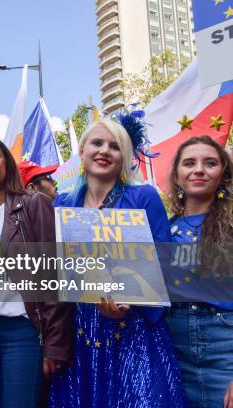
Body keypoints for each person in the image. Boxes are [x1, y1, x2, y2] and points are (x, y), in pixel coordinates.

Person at [49, 116, 186, 407]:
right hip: (82, 326)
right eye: (97, 143)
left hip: (135, 325)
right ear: (83, 151)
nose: (104, 151)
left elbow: (165, 260)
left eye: (114, 146)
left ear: (124, 156)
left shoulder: (143, 196)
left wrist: (130, 300)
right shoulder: (62, 204)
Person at [0, 136, 73, 407]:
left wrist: (55, 343)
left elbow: (54, 274)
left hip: (23, 332)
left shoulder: (33, 204)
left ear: (7, 165)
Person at [166, 136, 233, 408]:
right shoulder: (162, 230)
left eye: (210, 163)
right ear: (178, 176)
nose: (199, 169)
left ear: (223, 175)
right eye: (189, 163)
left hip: (225, 346)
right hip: (172, 347)